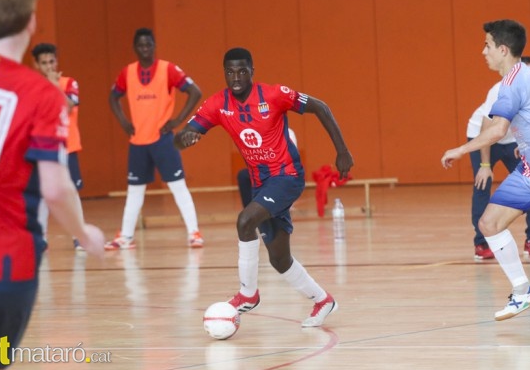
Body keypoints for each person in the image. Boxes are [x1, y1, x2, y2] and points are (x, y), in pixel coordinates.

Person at [0, 0, 104, 370]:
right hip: (10, 265)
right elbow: (55, 188)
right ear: (31, 22)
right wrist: (83, 233)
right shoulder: (43, 95)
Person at [174, 47, 353, 327]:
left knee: (245, 221)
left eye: (242, 71)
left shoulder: (274, 94)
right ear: (224, 73)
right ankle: (323, 300)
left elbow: (321, 107)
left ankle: (248, 295)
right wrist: (184, 139)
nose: (236, 77)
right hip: (261, 184)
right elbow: (183, 136)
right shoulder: (217, 104)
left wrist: (342, 151)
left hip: (287, 177)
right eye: (230, 72)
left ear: (252, 72)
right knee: (280, 260)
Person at [441, 19, 530, 321]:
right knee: (489, 223)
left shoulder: (512, 83)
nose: (483, 51)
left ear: (503, 49)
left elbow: (498, 129)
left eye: (487, 45)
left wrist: (461, 149)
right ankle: (523, 290)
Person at [105, 28, 204, 250]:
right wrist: (123, 122)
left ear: (154, 46)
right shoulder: (127, 72)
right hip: (138, 141)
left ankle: (194, 233)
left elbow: (195, 91)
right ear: (135, 48)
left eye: (149, 45)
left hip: (163, 139)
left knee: (178, 186)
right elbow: (113, 97)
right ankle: (126, 237)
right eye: (141, 45)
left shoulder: (167, 69)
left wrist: (178, 119)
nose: (145, 49)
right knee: (135, 190)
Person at [467, 55, 530, 259]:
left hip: (513, 139)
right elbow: (487, 128)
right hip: (484, 136)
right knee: (483, 184)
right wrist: (485, 165)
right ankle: (481, 244)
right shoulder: (500, 90)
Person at [31, 42, 85, 251]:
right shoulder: (33, 86)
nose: (49, 66)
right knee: (43, 194)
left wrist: (54, 86)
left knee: (71, 193)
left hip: (68, 147)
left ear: (57, 61)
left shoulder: (70, 83)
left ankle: (78, 236)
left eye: (51, 61)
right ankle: (41, 238)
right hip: (43, 148)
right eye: (43, 63)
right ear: (37, 65)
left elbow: (69, 108)